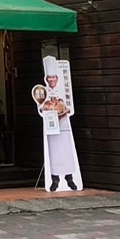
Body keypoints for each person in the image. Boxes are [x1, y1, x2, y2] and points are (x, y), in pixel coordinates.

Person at [37, 56, 82, 192]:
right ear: (46, 79)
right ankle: (55, 180)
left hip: (64, 125)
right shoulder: (43, 91)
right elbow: (40, 108)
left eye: (53, 77)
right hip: (51, 127)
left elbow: (70, 108)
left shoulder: (64, 90)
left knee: (66, 152)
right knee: (54, 154)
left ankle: (70, 179)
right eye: (49, 77)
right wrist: (47, 109)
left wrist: (64, 110)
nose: (51, 80)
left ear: (57, 78)